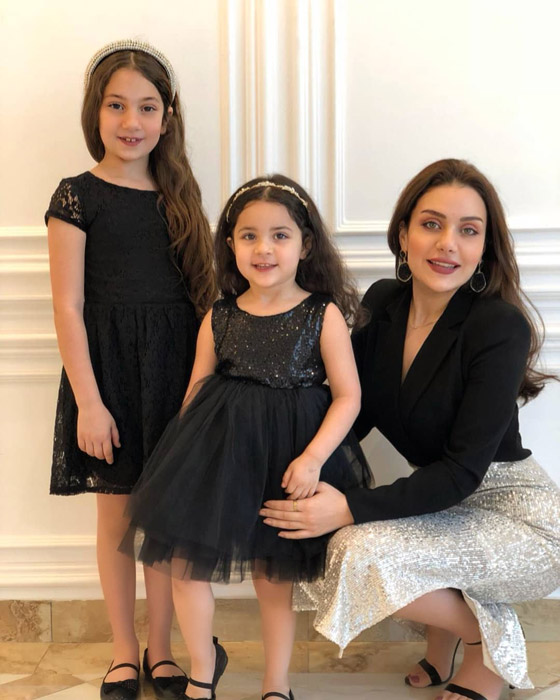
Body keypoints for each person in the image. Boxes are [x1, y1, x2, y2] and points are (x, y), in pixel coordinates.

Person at [259, 159, 560, 700]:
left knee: (355, 547)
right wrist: (293, 463)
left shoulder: (499, 326)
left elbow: (463, 471)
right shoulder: (383, 303)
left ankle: (487, 646)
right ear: (403, 234)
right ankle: (450, 638)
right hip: (441, 500)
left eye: (468, 230)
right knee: (308, 529)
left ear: (485, 247)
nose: (448, 244)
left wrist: (347, 507)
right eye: (431, 224)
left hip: (515, 515)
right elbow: (351, 411)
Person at [123, 175, 372, 700]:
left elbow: (348, 396)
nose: (264, 249)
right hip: (222, 457)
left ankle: (276, 682)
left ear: (306, 244)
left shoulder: (322, 314)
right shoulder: (220, 316)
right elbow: (196, 391)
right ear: (231, 245)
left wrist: (313, 458)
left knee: (273, 578)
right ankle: (202, 667)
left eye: (280, 235)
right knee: (184, 565)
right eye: (249, 236)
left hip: (289, 459)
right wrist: (184, 462)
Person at [46, 40, 217, 700]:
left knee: (166, 522)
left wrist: (202, 388)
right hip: (109, 377)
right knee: (117, 522)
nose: (131, 121)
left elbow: (201, 302)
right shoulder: (76, 196)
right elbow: (68, 306)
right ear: (96, 112)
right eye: (116, 106)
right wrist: (90, 402)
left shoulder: (179, 196)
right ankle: (123, 650)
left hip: (176, 375)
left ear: (167, 117)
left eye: (147, 107)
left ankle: (162, 649)